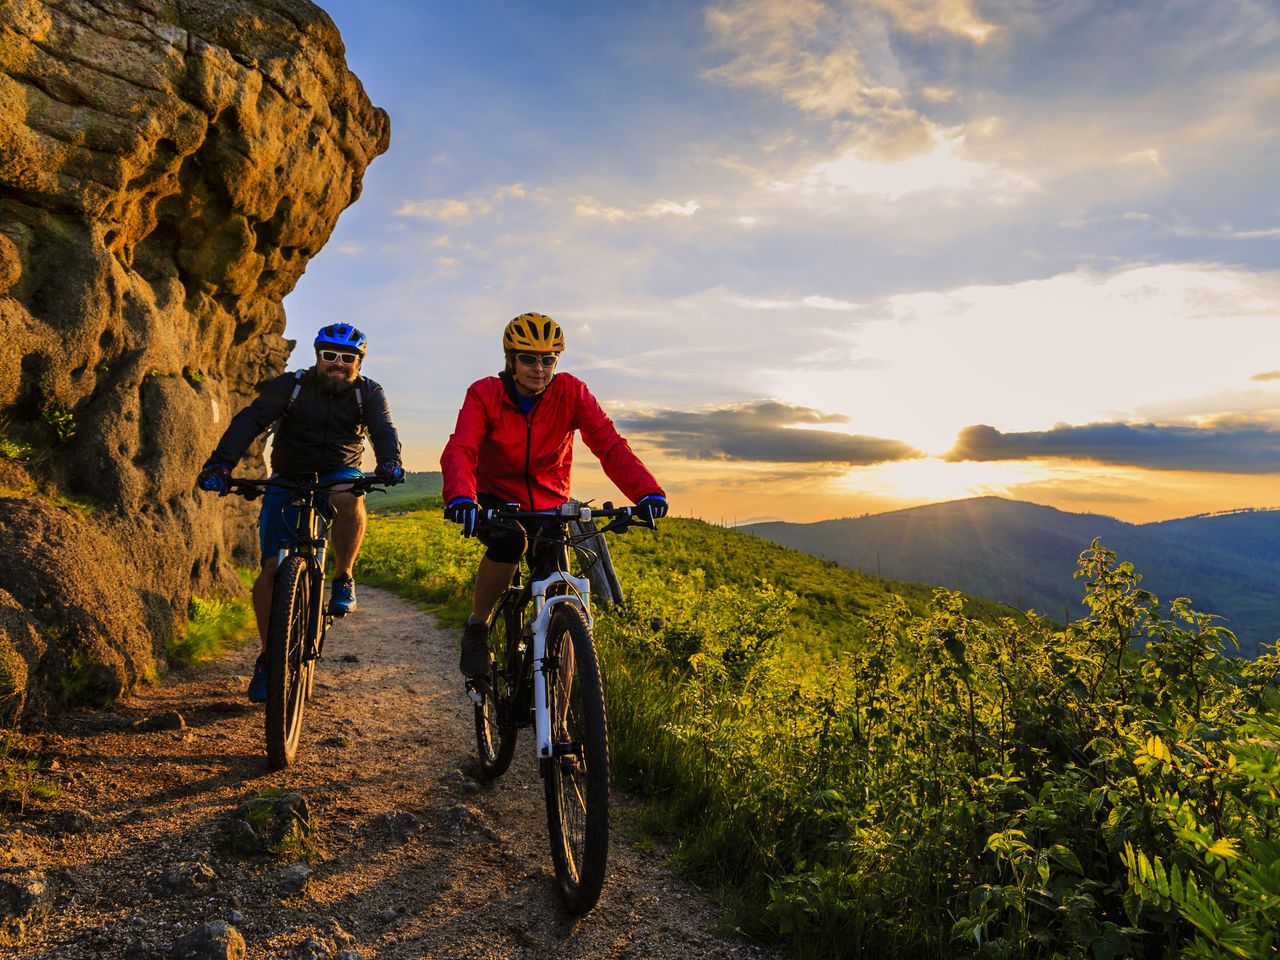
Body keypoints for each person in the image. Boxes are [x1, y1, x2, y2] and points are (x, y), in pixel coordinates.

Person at [440, 311, 667, 678]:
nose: (539, 368)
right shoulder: (485, 393)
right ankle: (478, 626)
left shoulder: (571, 392)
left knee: (562, 594)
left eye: (549, 359)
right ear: (511, 360)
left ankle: (558, 723)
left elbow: (609, 444)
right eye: (529, 358)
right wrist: (462, 498)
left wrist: (647, 492)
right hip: (496, 497)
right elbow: (461, 448)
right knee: (510, 544)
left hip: (550, 503)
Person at [196, 323, 404, 701]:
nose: (337, 364)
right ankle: (267, 657)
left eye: (347, 358)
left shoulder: (368, 393)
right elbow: (251, 420)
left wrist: (390, 461)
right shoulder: (290, 386)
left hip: (340, 471)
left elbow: (382, 429)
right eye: (329, 356)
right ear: (317, 357)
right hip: (289, 475)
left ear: (359, 362)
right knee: (272, 569)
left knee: (348, 493)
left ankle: (343, 577)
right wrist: (221, 465)